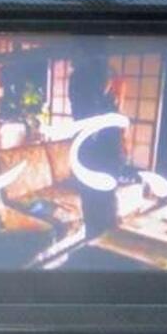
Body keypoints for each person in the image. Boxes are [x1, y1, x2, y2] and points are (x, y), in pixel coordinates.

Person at [67, 58, 125, 239]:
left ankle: (101, 241)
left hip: (102, 159)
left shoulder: (107, 103)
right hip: (90, 158)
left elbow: (114, 137)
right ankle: (95, 242)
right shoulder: (87, 97)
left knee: (103, 209)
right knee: (95, 209)